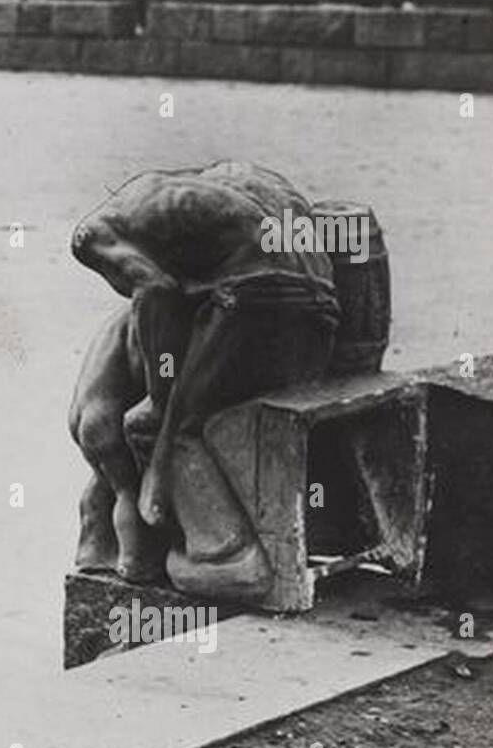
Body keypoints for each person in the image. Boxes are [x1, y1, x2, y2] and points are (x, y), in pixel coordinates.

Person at [67, 161, 340, 601]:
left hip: (258, 300)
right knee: (173, 405)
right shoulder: (208, 191)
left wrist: (162, 395)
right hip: (320, 312)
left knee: (159, 425)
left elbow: (154, 291)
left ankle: (226, 557)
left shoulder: (91, 238)